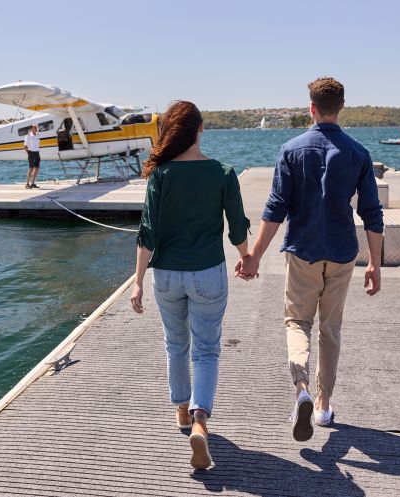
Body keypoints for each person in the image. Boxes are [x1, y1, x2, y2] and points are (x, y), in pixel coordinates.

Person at [237, 77, 383, 442]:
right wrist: (375, 264)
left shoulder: (291, 149)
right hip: (342, 253)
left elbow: (275, 208)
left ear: (311, 108)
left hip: (302, 252)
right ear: (342, 106)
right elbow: (371, 213)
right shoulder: (358, 153)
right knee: (330, 330)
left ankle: (300, 386)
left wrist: (254, 256)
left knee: (297, 322)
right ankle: (322, 405)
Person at [130, 101, 251, 469]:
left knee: (175, 344)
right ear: (200, 130)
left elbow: (146, 233)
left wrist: (137, 283)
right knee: (207, 349)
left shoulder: (161, 175)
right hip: (207, 273)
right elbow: (237, 226)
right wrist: (246, 258)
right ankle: (201, 421)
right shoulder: (223, 172)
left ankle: (182, 412)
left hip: (165, 275)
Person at [24, 124, 41, 189]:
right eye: (34, 128)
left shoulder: (37, 135)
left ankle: (33, 183)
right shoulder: (28, 136)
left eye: (36, 128)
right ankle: (27, 184)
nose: (36, 129)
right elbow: (25, 146)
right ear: (31, 129)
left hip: (37, 153)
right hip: (31, 153)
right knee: (31, 168)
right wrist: (29, 154)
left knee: (37, 168)